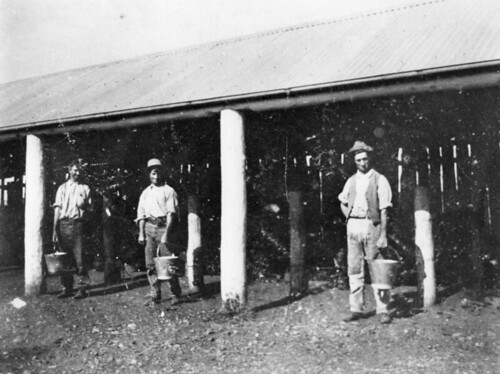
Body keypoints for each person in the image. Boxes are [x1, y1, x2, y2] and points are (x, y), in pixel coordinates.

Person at [338, 141, 393, 324]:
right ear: (355, 161)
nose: (362, 163)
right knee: (354, 268)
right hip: (354, 226)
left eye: (365, 159)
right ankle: (356, 309)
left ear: (370, 159)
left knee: (378, 268)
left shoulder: (380, 179)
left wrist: (383, 234)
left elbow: (385, 210)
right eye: (359, 160)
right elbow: (343, 202)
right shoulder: (351, 181)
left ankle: (383, 309)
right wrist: (349, 219)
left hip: (372, 226)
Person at [136, 158, 181, 306]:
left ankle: (175, 293)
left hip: (163, 227)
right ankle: (155, 294)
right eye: (153, 173)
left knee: (167, 263)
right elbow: (141, 215)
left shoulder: (169, 191)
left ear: (162, 173)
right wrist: (142, 233)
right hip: (149, 228)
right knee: (150, 264)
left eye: (158, 173)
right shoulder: (145, 193)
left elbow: (171, 214)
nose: (156, 176)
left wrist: (166, 234)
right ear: (149, 174)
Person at [53, 161, 92, 299]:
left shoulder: (85, 188)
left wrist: (84, 204)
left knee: (79, 257)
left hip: (78, 225)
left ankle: (82, 288)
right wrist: (54, 230)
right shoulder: (62, 188)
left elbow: (90, 209)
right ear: (69, 170)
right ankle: (66, 287)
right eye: (75, 170)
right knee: (65, 258)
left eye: (80, 170)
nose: (78, 173)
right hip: (63, 225)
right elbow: (57, 209)